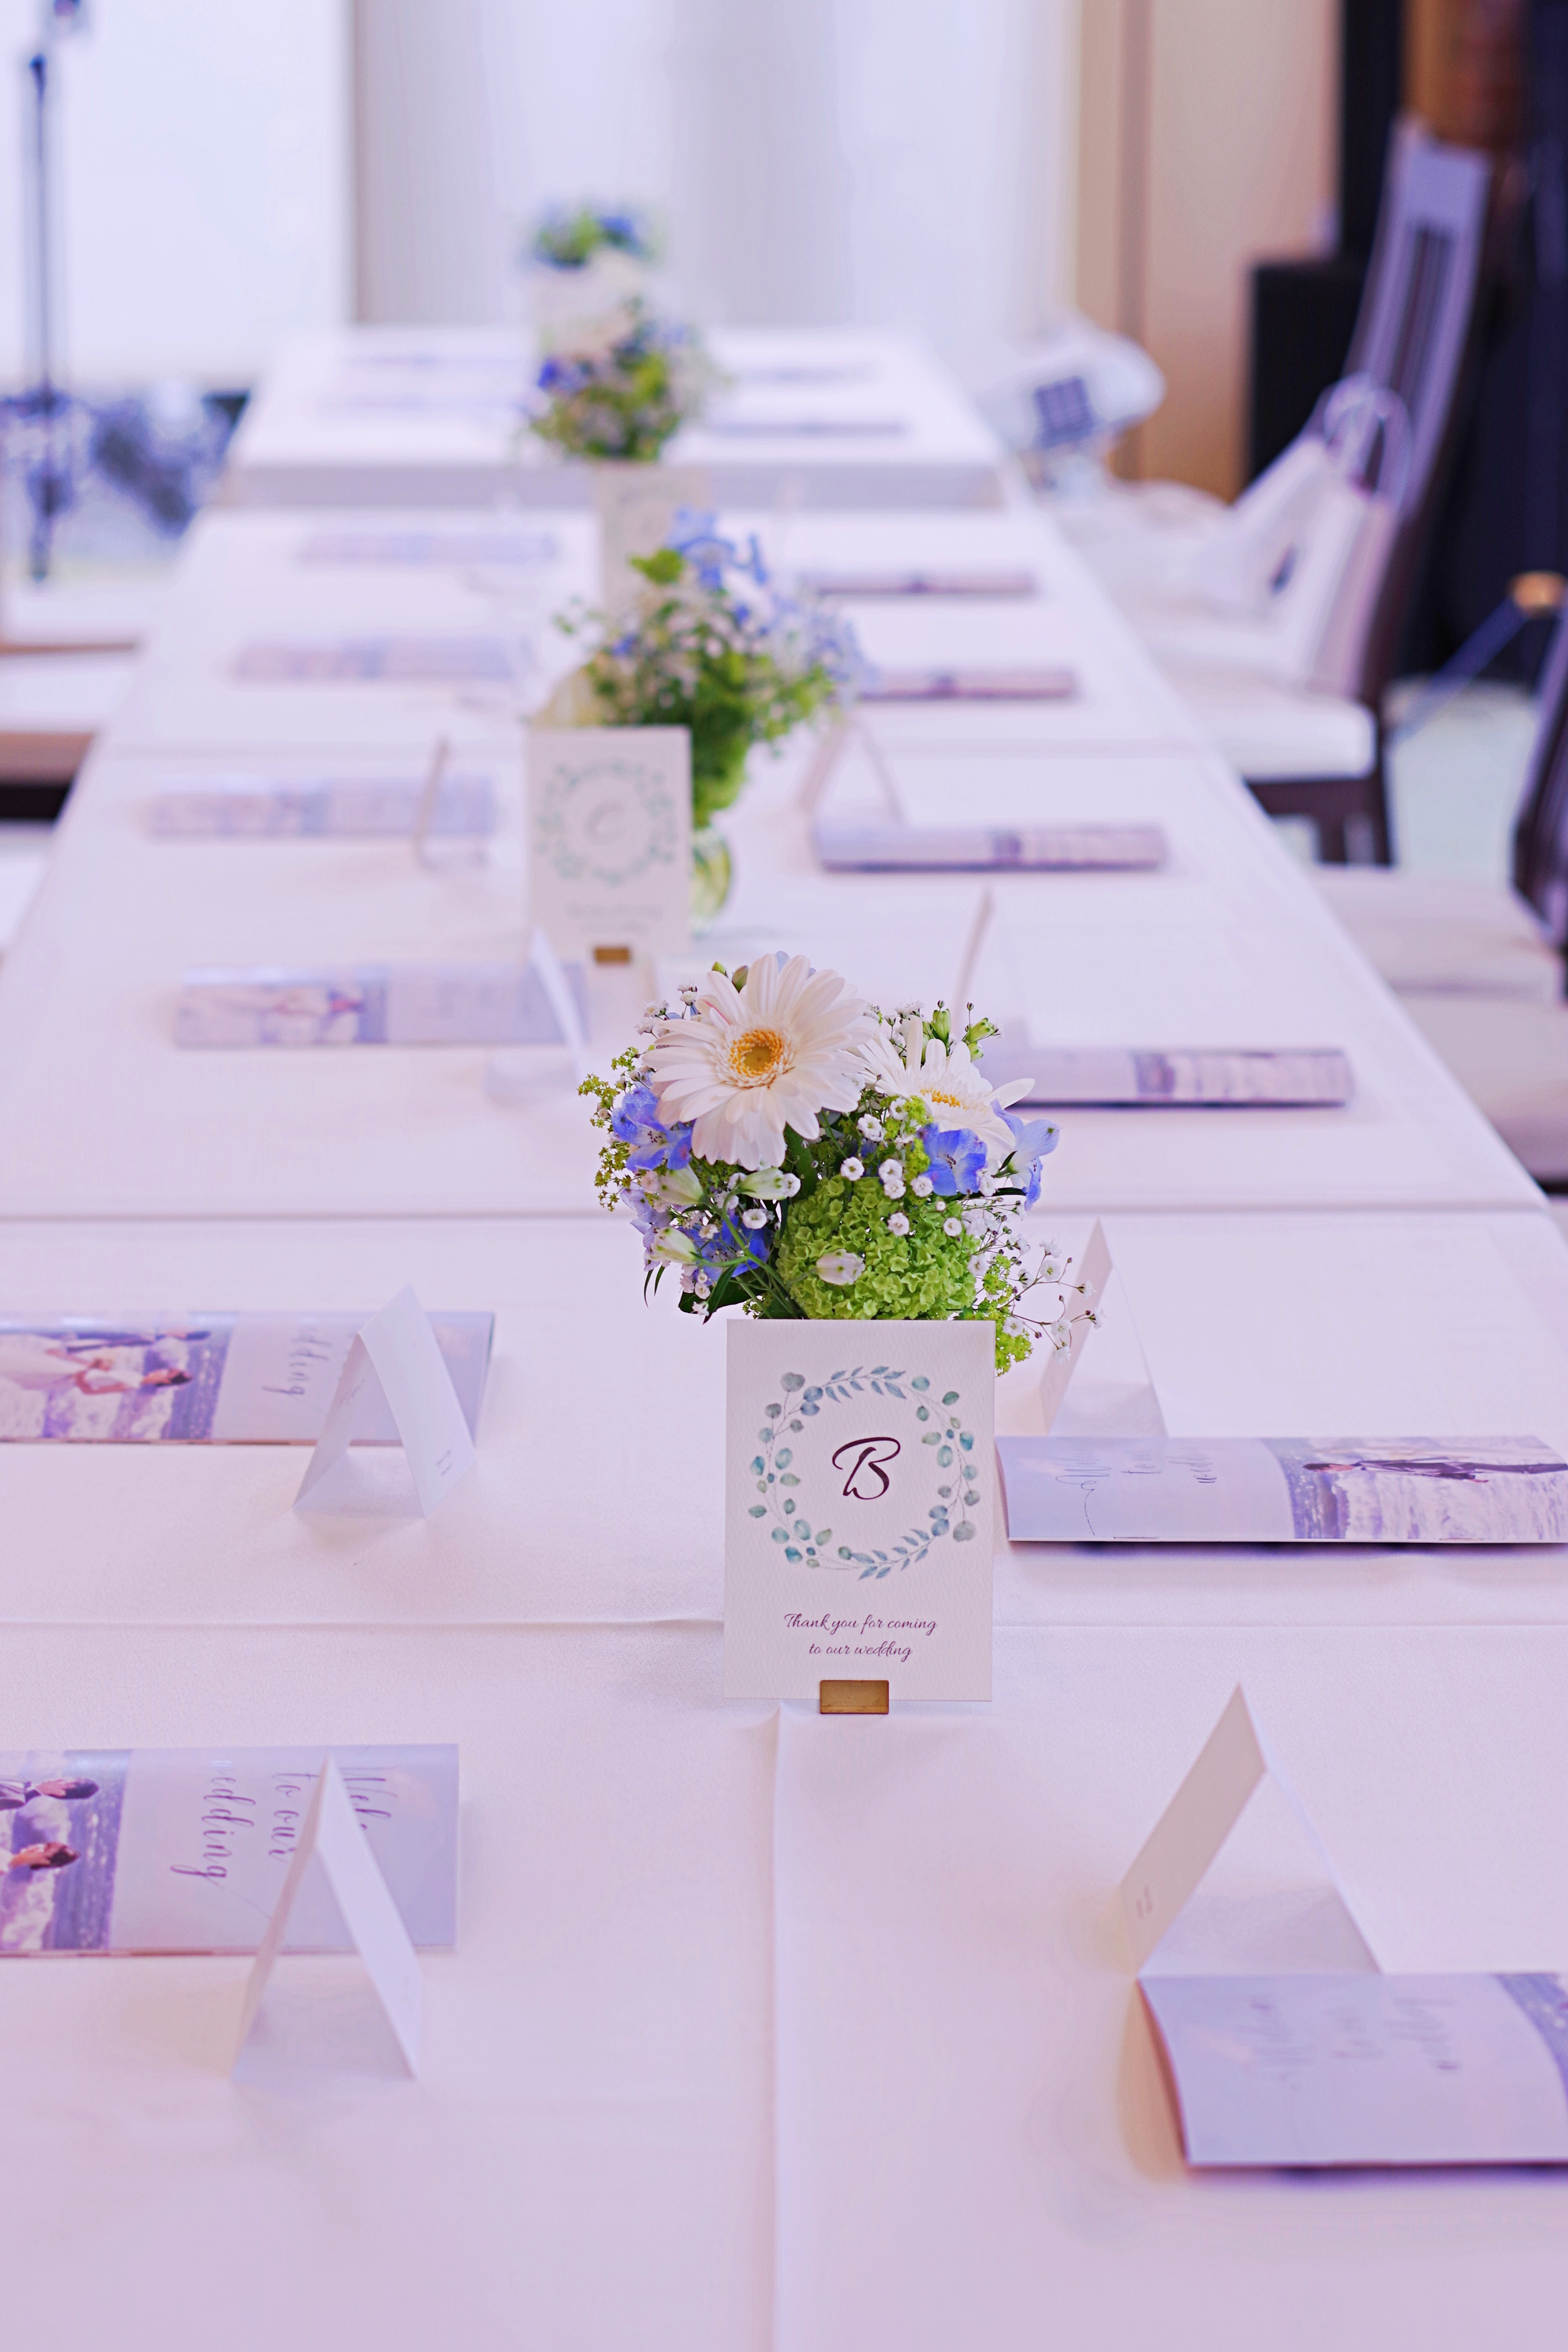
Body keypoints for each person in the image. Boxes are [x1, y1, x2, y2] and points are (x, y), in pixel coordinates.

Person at [0, 1333, 190, 1399]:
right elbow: (92, 1368)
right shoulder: (133, 1375)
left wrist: (80, 1377)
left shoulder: (131, 1385)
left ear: (166, 1380)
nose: (161, 1370)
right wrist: (65, 1356)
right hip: (66, 1370)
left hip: (64, 1378)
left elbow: (89, 1392)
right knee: (20, 1362)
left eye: (167, 1372)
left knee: (18, 1373)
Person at [7, 1842, 77, 1871]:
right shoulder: (6, 1859)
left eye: (45, 1849)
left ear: (45, 1862)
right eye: (46, 1845)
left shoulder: (4, 1865)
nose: (38, 1846)